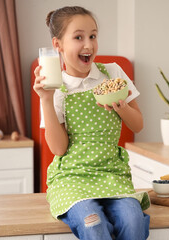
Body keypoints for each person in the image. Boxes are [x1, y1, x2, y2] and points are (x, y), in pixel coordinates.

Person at [33, 6, 150, 240]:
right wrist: (46, 100)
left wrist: (120, 105)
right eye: (78, 37)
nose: (88, 45)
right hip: (72, 178)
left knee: (134, 220)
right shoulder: (55, 87)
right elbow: (59, 149)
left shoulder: (113, 73)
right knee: (93, 222)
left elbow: (138, 125)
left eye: (93, 36)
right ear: (58, 45)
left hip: (111, 174)